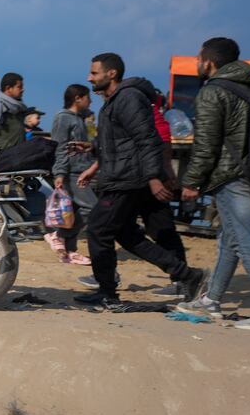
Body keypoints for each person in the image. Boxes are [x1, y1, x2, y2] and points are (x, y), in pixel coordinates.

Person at [74, 52, 204, 310]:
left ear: (111, 74)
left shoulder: (129, 98)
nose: (89, 78)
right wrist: (92, 153)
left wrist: (154, 178)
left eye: (94, 73)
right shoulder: (114, 101)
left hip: (127, 180)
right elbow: (118, 141)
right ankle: (188, 276)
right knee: (126, 234)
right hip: (121, 176)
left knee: (99, 230)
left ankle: (107, 293)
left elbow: (147, 139)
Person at [174, 38, 250, 330]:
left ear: (210, 62)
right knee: (229, 239)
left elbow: (206, 143)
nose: (196, 62)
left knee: (244, 238)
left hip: (231, 176)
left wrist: (192, 182)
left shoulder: (213, 92)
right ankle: (211, 301)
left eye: (198, 57)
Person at [48, 83, 96, 265]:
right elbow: (59, 147)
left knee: (73, 211)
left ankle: (70, 251)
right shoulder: (63, 118)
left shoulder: (81, 118)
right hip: (71, 172)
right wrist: (59, 173)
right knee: (92, 208)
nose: (90, 101)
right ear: (78, 98)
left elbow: (91, 141)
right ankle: (59, 235)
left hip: (82, 170)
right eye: (87, 97)